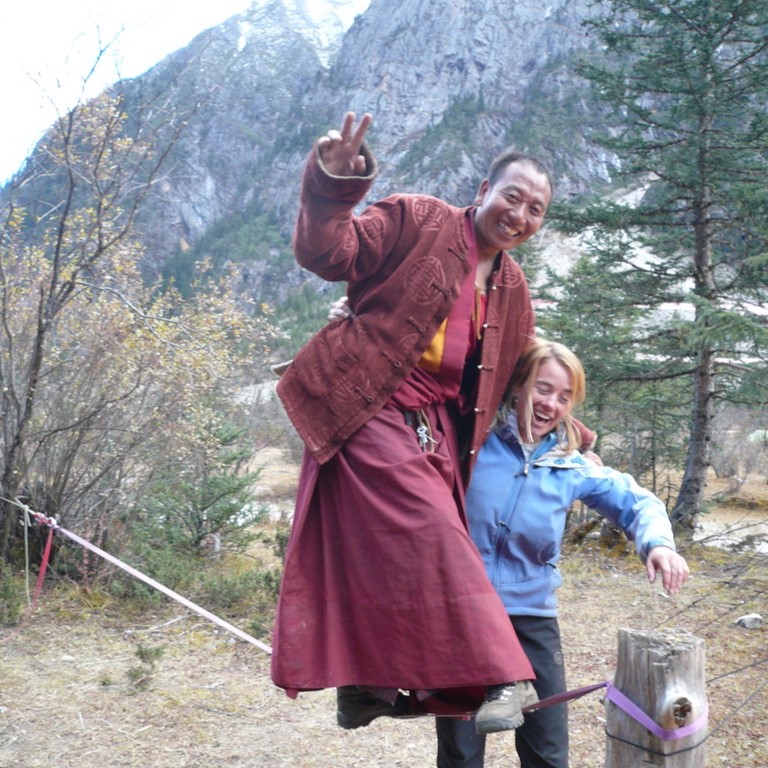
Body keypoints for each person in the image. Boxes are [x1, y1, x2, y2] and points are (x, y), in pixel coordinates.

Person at [270, 110, 596, 731]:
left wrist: (571, 432)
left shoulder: (513, 289)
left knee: (390, 549)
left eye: (536, 210)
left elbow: (516, 371)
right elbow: (328, 251)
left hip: (434, 429)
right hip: (367, 403)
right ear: (483, 192)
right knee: (431, 536)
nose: (520, 216)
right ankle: (504, 673)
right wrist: (333, 185)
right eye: (513, 197)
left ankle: (365, 687)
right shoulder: (416, 219)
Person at [435, 337, 690, 767]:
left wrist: (659, 544)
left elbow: (636, 501)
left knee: (547, 751)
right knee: (460, 751)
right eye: (542, 387)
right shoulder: (472, 442)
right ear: (518, 385)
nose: (550, 404)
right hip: (466, 614)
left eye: (564, 396)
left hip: (532, 618)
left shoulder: (572, 465)